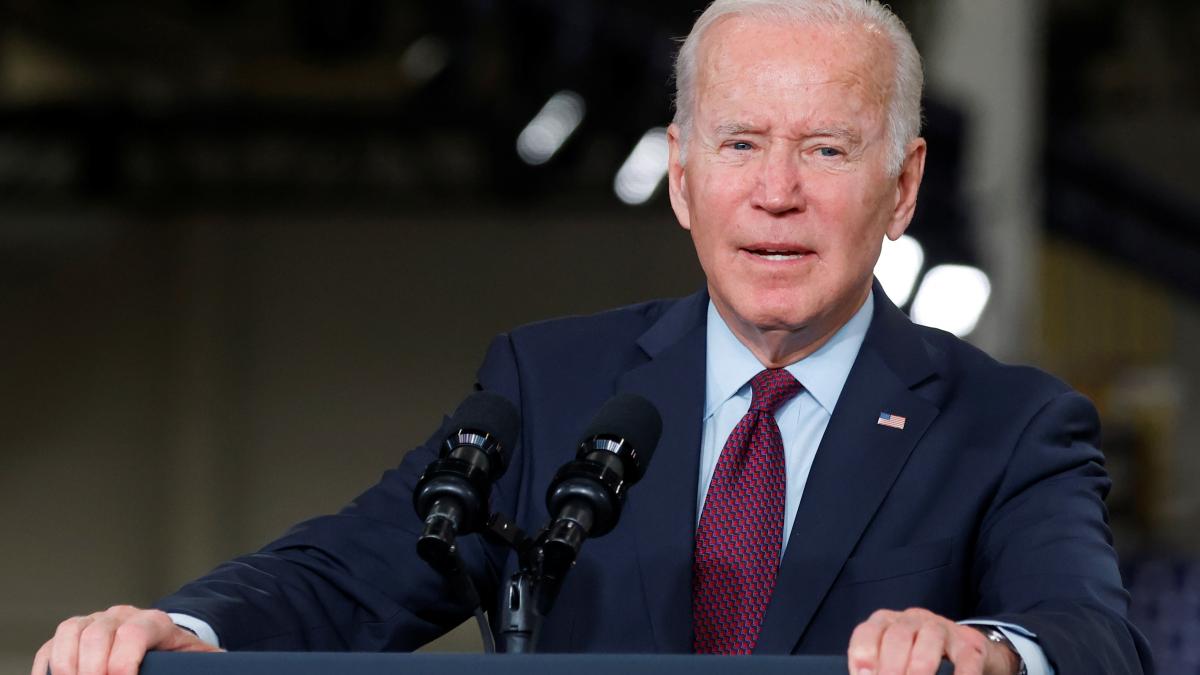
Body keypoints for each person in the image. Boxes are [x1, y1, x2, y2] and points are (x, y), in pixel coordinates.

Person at [32, 1, 1153, 674]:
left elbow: (1093, 636)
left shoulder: (1010, 427)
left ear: (901, 187)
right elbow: (355, 572)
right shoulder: (551, 381)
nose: (774, 194)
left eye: (825, 151)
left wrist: (992, 653)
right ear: (680, 174)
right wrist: (180, 627)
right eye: (740, 144)